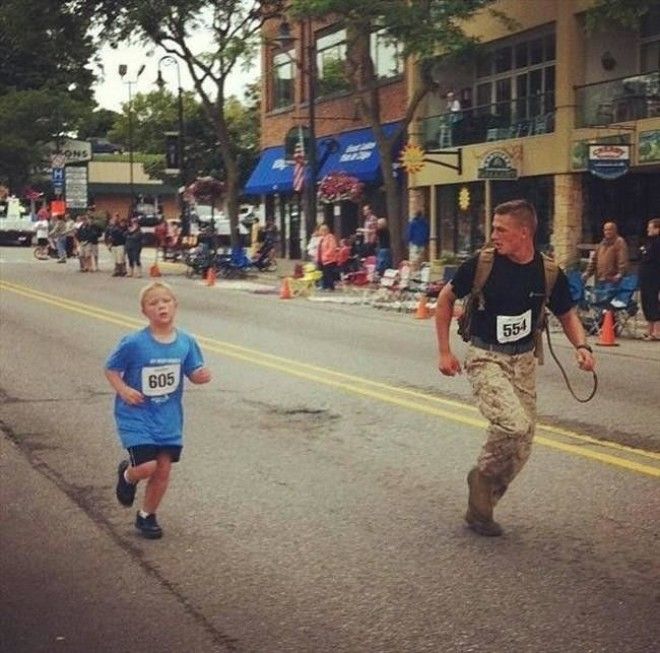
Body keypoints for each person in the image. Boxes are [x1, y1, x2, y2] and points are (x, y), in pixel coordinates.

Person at [435, 199, 595, 537]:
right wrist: (445, 351)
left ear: (524, 233)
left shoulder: (548, 273)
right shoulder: (483, 263)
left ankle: (482, 504)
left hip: (523, 361)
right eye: (493, 228)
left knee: (524, 444)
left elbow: (566, 314)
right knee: (513, 424)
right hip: (485, 356)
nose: (493, 235)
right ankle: (482, 476)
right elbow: (446, 298)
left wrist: (582, 346)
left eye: (500, 230)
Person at [105, 281, 212, 539]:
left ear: (175, 306)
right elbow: (111, 369)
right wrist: (124, 390)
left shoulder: (186, 342)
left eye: (165, 301)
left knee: (163, 469)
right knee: (146, 467)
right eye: (153, 303)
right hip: (136, 414)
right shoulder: (134, 343)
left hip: (169, 418)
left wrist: (200, 376)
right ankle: (128, 476)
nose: (160, 306)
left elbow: (192, 372)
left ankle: (146, 516)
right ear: (144, 311)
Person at [582, 221, 629, 292]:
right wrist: (587, 273)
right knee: (600, 301)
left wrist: (620, 273)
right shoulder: (602, 243)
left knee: (610, 302)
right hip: (601, 279)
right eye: (605, 230)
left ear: (615, 230)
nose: (607, 232)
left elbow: (623, 259)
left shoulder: (619, 242)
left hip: (613, 280)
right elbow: (594, 260)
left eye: (610, 229)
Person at [639, 218, 660, 341]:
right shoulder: (649, 242)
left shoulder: (658, 243)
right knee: (646, 302)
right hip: (646, 278)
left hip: (654, 278)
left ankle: (657, 331)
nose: (648, 229)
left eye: (650, 227)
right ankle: (649, 329)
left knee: (653, 302)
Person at [317, 223, 339, 290]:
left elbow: (332, 248)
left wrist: (326, 255)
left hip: (329, 259)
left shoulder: (330, 237)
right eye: (320, 230)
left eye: (321, 230)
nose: (320, 232)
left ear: (326, 231)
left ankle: (330, 286)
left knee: (328, 273)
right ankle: (324, 285)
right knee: (324, 273)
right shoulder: (322, 238)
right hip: (322, 259)